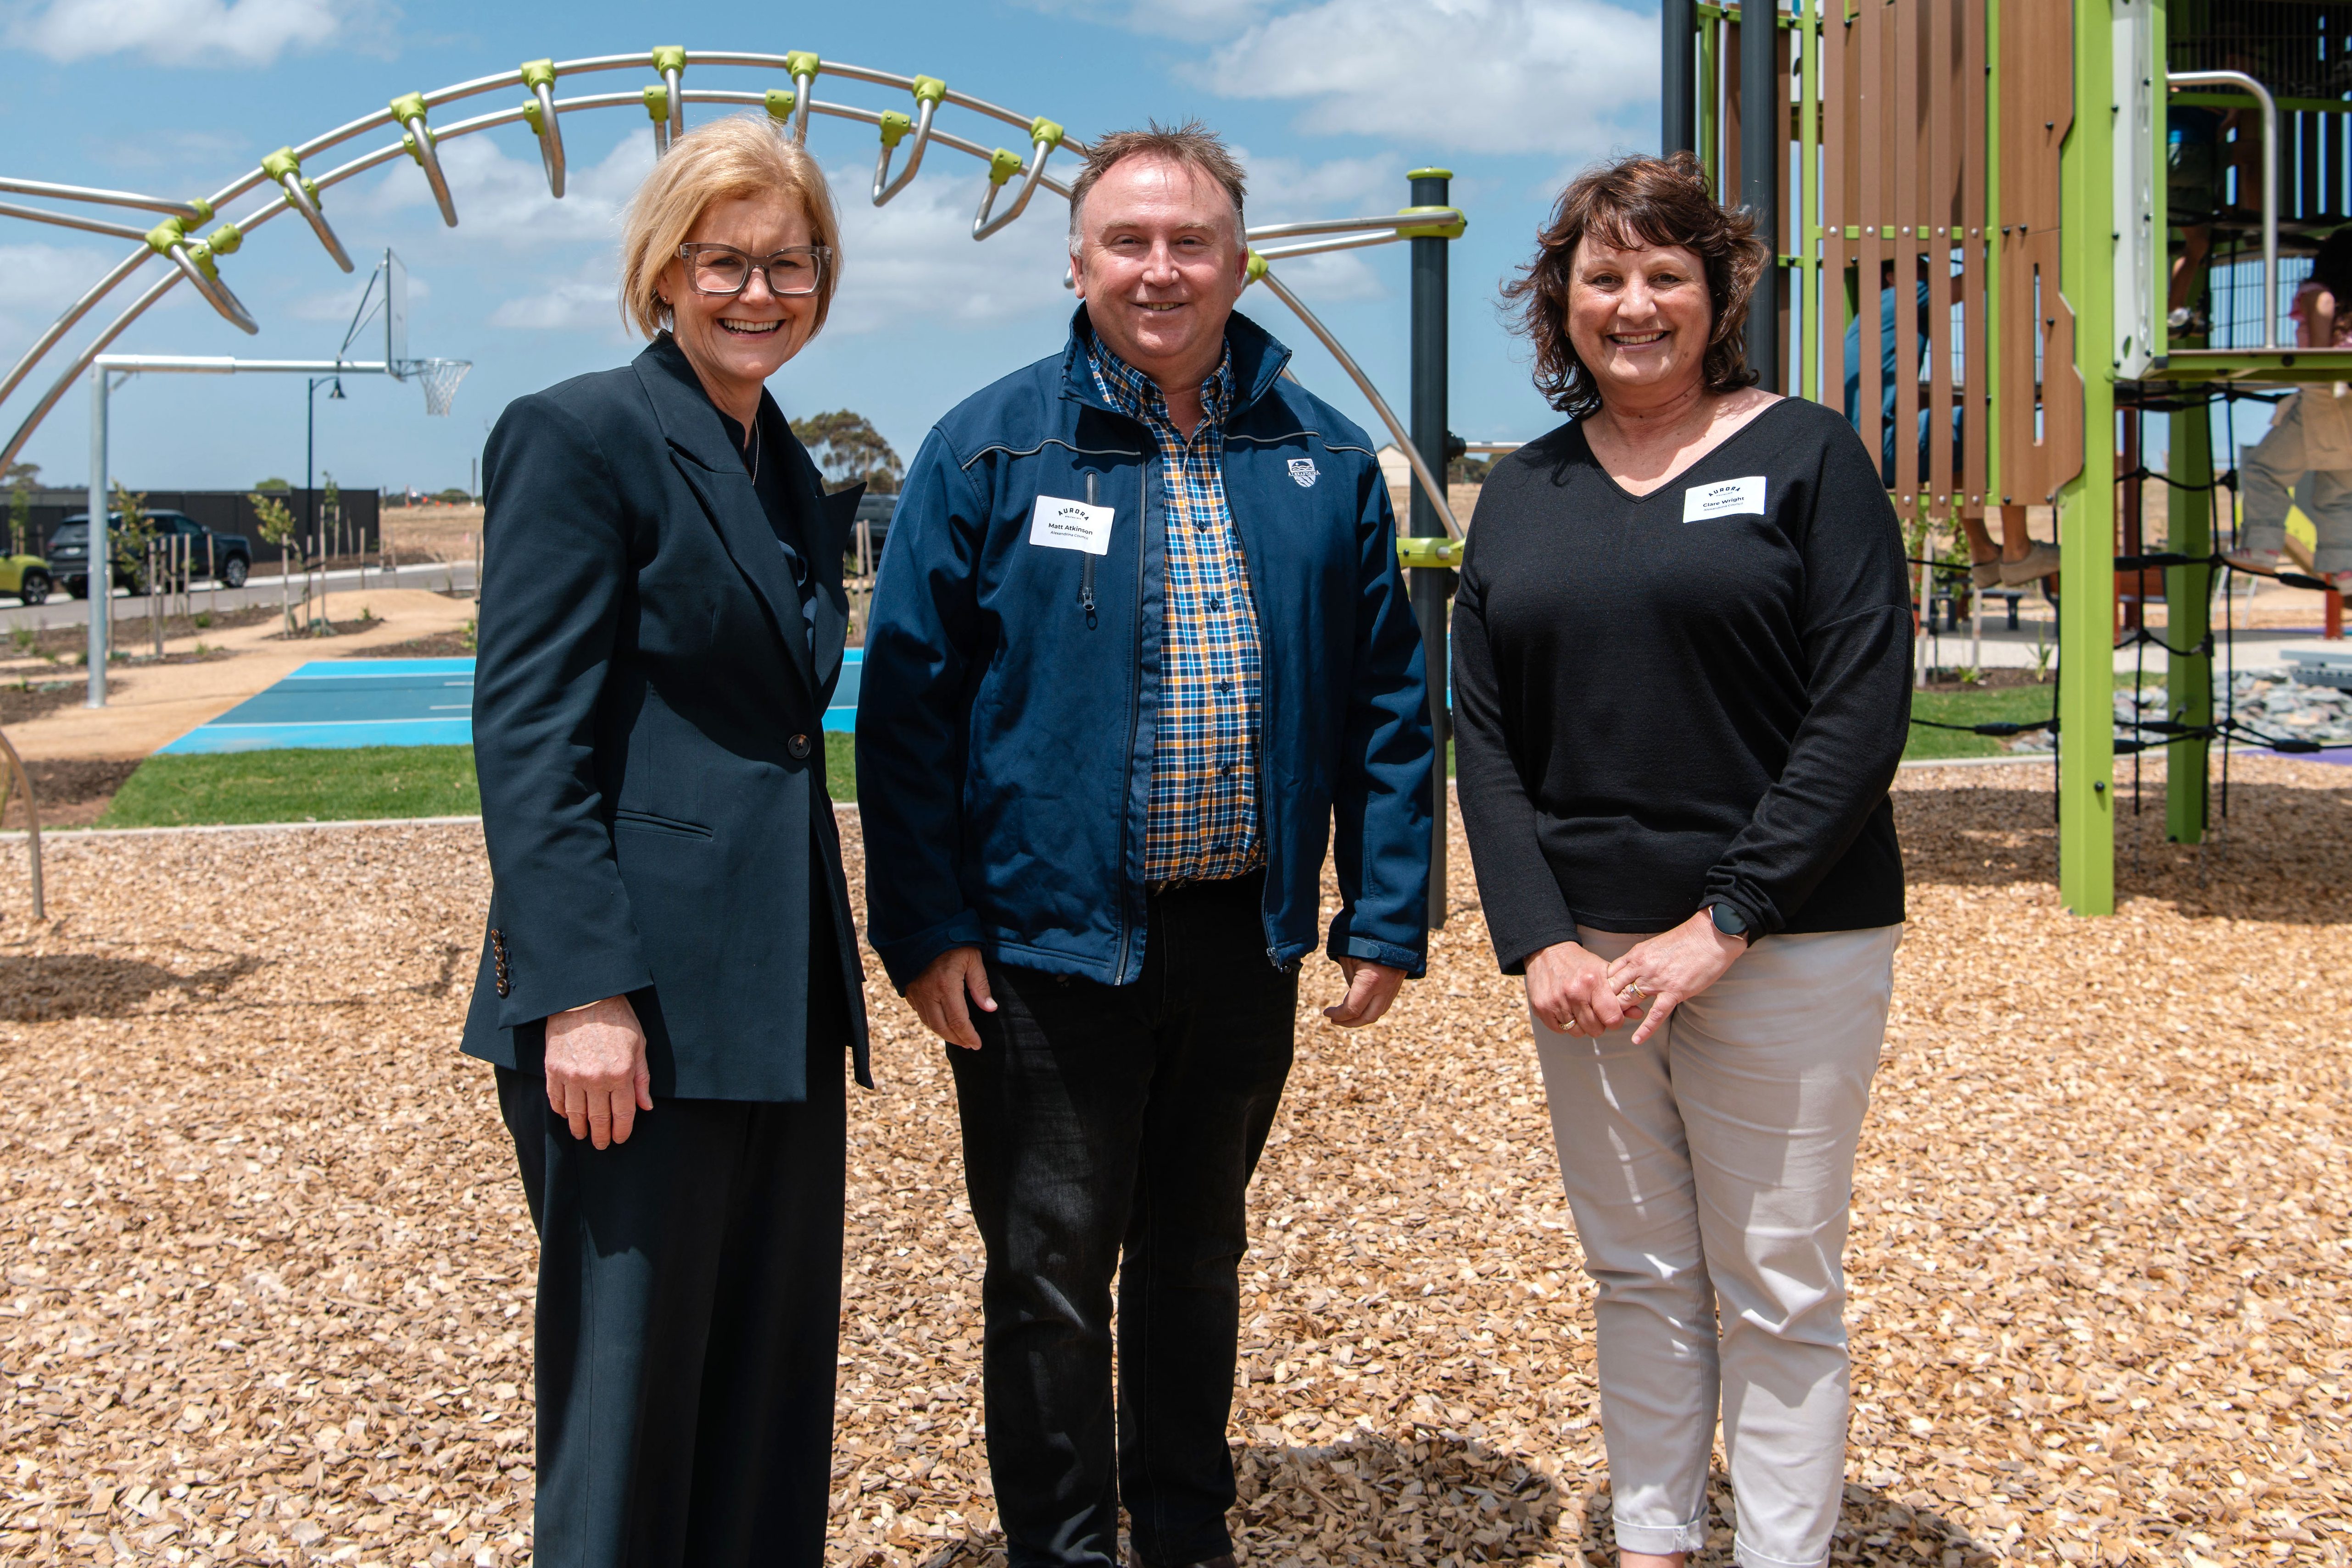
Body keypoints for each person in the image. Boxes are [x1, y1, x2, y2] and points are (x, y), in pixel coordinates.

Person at [856, 121, 1433, 1568]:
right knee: (1049, 1266)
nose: (1160, 269)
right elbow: (908, 708)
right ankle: (1062, 1544)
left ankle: (1182, 1529)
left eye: (1190, 243)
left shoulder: (1319, 458)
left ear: (1239, 262)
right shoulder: (990, 445)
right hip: (1043, 947)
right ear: (1076, 260)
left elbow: (1385, 699)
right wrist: (923, 926)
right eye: (1129, 242)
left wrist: (1383, 908)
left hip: (1238, 936)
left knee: (1197, 1253)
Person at [1453, 151, 1913, 1568]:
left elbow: (1858, 707)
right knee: (1638, 1268)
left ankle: (1780, 1548)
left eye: (1664, 274)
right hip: (1588, 957)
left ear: (1718, 296)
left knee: (1775, 1278)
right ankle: (1651, 1537)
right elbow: (1480, 727)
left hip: (1787, 941)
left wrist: (1725, 917)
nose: (1631, 302)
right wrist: (1537, 936)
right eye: (1601, 275)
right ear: (1559, 299)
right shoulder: (1522, 488)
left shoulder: (1806, 456)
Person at [460, 115, 869, 1568]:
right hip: (627, 1004)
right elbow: (527, 730)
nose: (758, 291)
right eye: (726, 261)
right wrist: (576, 990)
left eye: (790, 261)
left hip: (773, 994)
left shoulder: (787, 473)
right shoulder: (582, 433)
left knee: (764, 1398)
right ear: (663, 269)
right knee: (629, 1412)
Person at [1841, 257, 2058, 589]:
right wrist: (2024, 253)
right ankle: (2018, 551)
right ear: (1891, 277)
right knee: (2007, 417)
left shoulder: (1877, 318)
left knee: (1957, 438)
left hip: (1868, 449)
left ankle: (1984, 553)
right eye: (1924, 272)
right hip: (1883, 446)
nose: (1930, 278)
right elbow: (1965, 284)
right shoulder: (1896, 299)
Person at [2231, 226, 2352, 591]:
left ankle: (2263, 547)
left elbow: (2319, 355)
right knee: (2339, 490)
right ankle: (2345, 568)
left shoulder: (2319, 294)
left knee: (2265, 471)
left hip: (2326, 395)